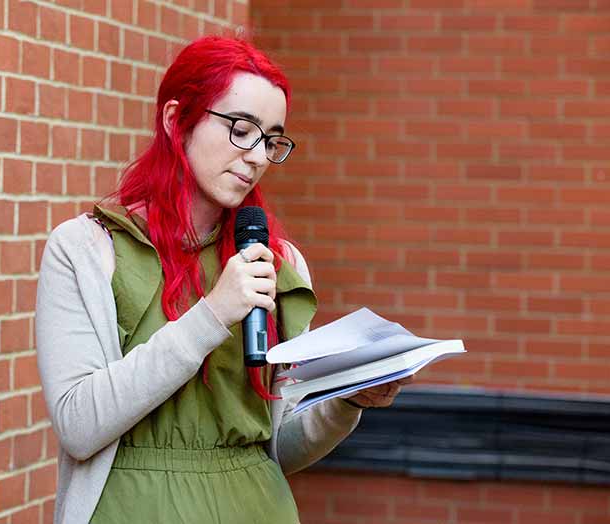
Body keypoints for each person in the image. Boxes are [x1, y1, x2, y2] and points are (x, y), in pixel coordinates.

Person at [35, 35, 411, 524]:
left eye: (271, 139)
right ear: (176, 121)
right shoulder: (86, 249)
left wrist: (346, 400)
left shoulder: (276, 261)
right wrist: (211, 315)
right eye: (240, 129)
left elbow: (277, 448)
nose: (256, 156)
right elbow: (79, 424)